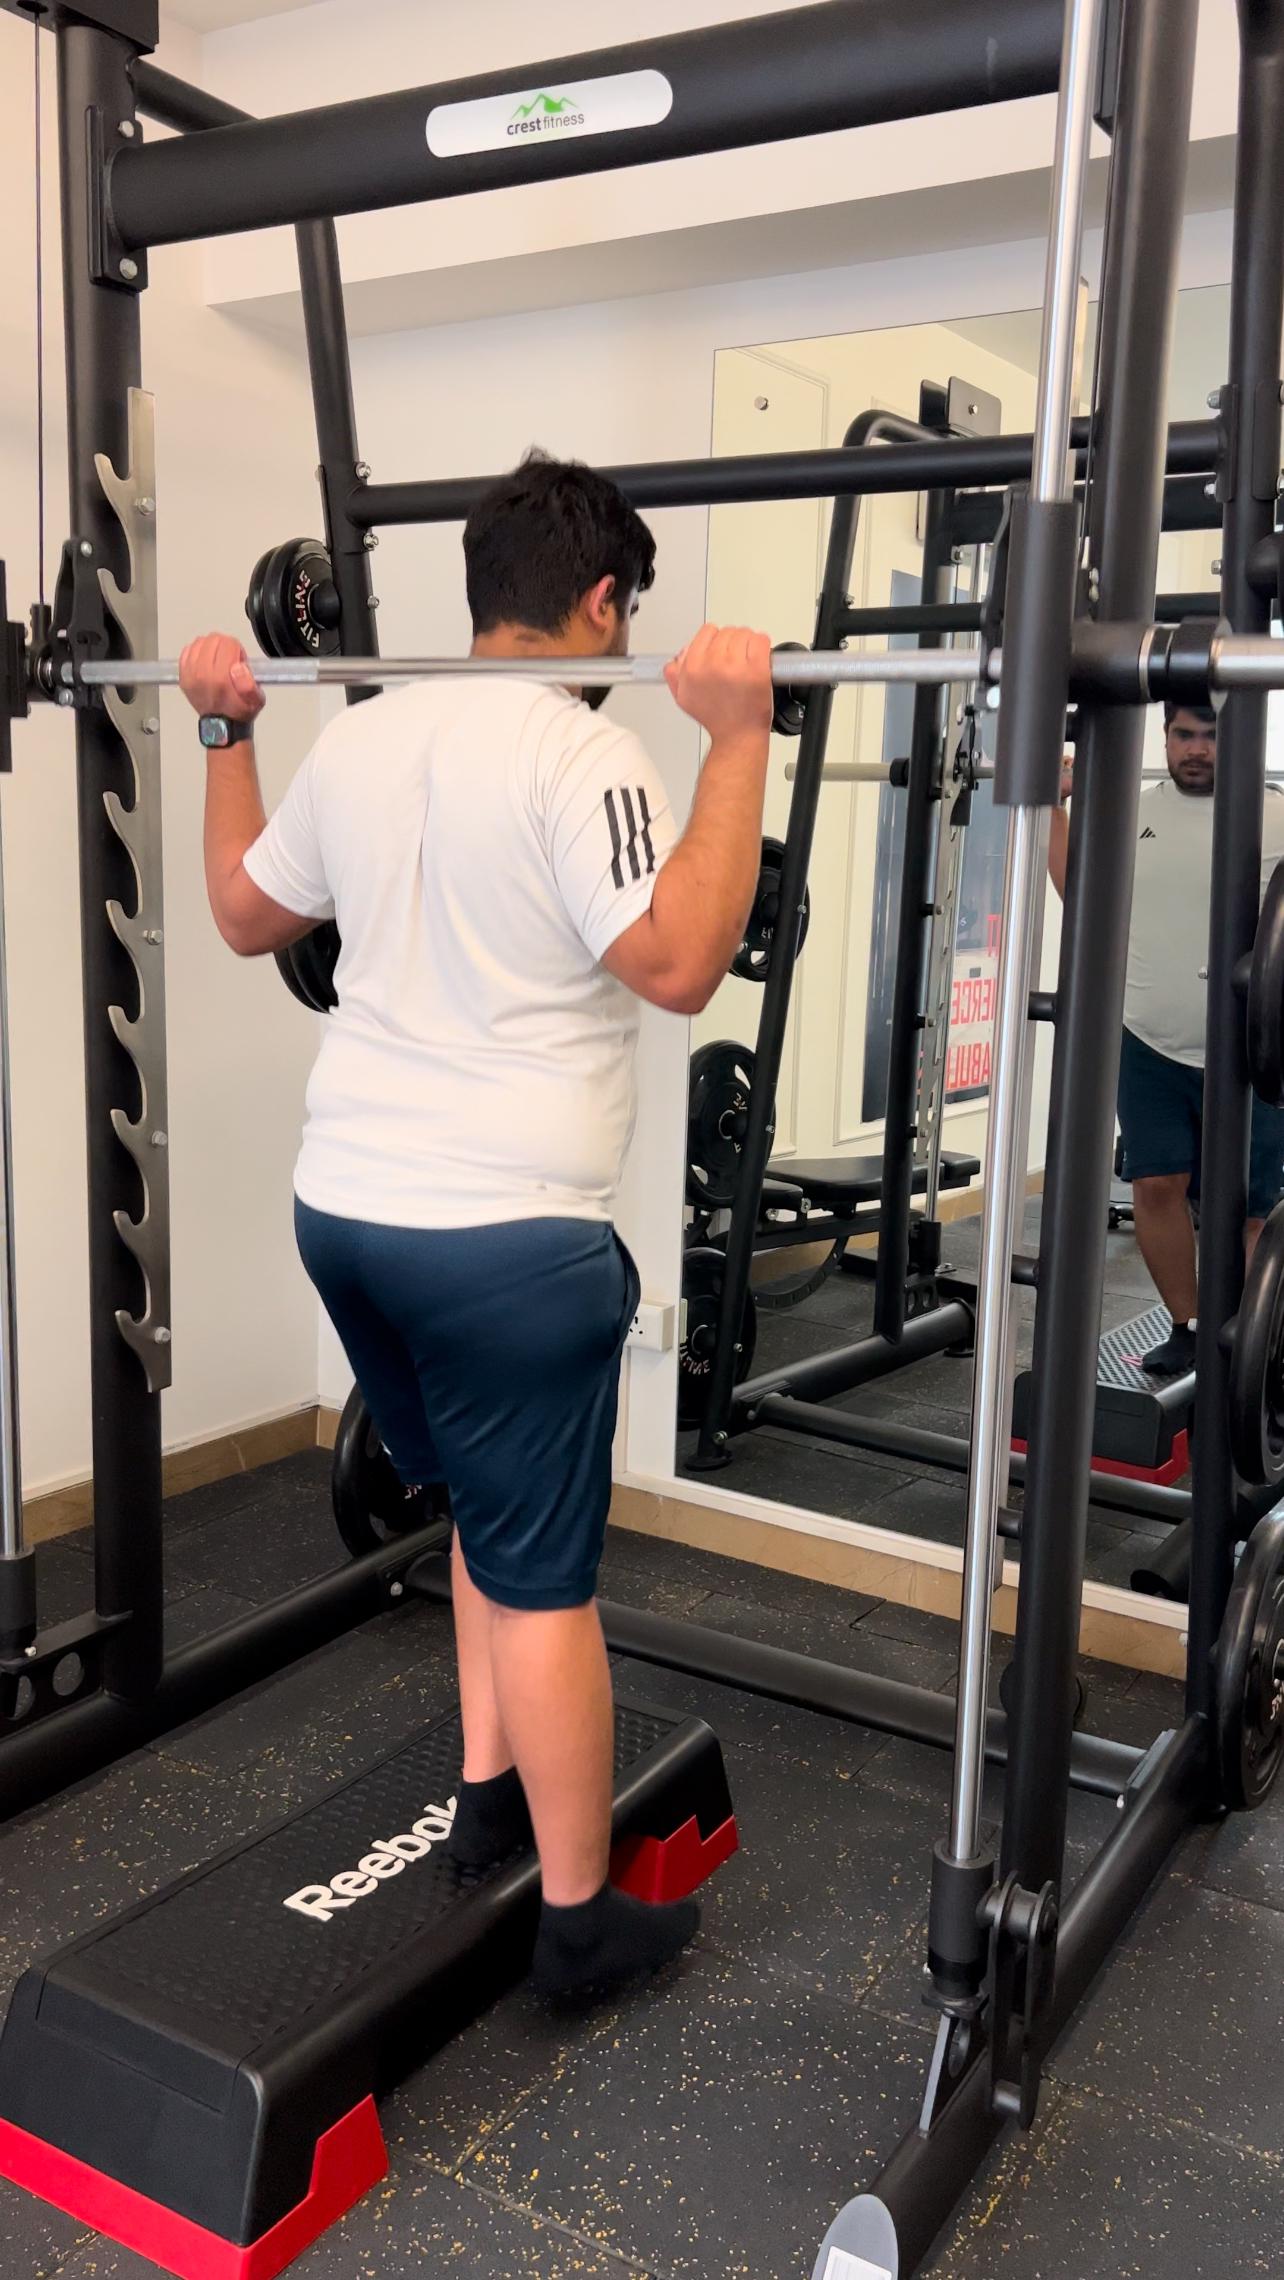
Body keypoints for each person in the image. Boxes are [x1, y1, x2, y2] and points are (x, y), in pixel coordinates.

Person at [178, 452, 774, 1997]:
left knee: (484, 1534)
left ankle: (487, 1798)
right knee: (547, 1583)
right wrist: (740, 738)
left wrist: (226, 730)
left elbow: (243, 913)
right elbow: (679, 963)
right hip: (508, 1251)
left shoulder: (367, 738)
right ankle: (576, 1925)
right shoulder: (587, 755)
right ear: (602, 602)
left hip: (348, 1219)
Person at [1049, 701, 1284, 1378]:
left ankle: (1254, 1345)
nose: (1197, 749)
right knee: (1155, 1186)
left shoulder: (1275, 816)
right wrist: (1054, 804)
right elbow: (1079, 890)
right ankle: (1189, 1325)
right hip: (1147, 1038)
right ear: (1165, 737)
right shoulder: (1131, 812)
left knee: (1253, 1209)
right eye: (1185, 735)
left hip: (1253, 1050)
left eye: (1212, 736)